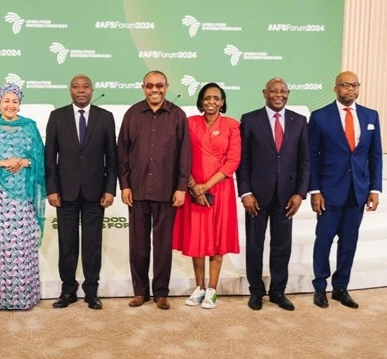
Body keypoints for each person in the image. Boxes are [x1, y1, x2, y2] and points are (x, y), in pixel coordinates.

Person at [117, 70, 191, 310]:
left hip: (166, 192)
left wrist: (181, 188)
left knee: (162, 247)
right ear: (143, 87)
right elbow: (122, 154)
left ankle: (161, 292)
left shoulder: (178, 116)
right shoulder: (132, 114)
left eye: (159, 85)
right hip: (137, 191)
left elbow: (184, 156)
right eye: (150, 86)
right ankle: (140, 292)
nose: (155, 89)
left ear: (167, 87)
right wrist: (125, 185)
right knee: (138, 246)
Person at [309, 71, 382, 309]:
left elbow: (374, 155)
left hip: (358, 190)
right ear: (335, 88)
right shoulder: (320, 117)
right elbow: (312, 156)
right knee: (324, 240)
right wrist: (315, 190)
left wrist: (375, 189)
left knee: (349, 241)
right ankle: (320, 287)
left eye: (354, 85)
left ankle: (341, 288)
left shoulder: (371, 115)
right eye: (345, 85)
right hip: (329, 190)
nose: (350, 89)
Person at [45, 74, 117, 310]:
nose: (81, 90)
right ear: (70, 90)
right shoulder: (57, 116)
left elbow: (112, 158)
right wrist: (52, 189)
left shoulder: (105, 117)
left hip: (96, 193)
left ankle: (92, 291)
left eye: (85, 86)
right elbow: (50, 157)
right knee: (67, 244)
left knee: (92, 244)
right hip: (65, 193)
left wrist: (109, 190)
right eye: (76, 87)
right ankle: (67, 290)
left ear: (92, 90)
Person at [236, 78, 309, 311]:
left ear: (288, 93)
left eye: (283, 91)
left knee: (282, 246)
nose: (278, 94)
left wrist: (300, 193)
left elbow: (305, 161)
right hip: (256, 196)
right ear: (264, 93)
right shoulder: (249, 119)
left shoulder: (299, 121)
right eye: (274, 91)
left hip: (287, 197)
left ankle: (278, 292)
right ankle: (256, 292)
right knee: (255, 246)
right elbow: (243, 161)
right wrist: (245, 192)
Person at [0, 83, 46, 310]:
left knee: (23, 246)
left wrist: (25, 162)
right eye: (6, 101)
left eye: (15, 101)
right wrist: (1, 162)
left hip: (24, 196)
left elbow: (41, 160)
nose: (10, 105)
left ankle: (25, 298)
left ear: (20, 104)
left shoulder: (30, 127)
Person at [172, 82, 240, 309]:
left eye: (216, 98)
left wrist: (206, 186)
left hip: (220, 191)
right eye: (207, 98)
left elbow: (233, 160)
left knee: (218, 240)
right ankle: (199, 287)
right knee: (197, 240)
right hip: (193, 190)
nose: (212, 102)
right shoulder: (189, 123)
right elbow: (181, 156)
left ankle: (212, 289)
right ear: (201, 101)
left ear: (223, 102)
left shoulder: (232, 125)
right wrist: (194, 186)